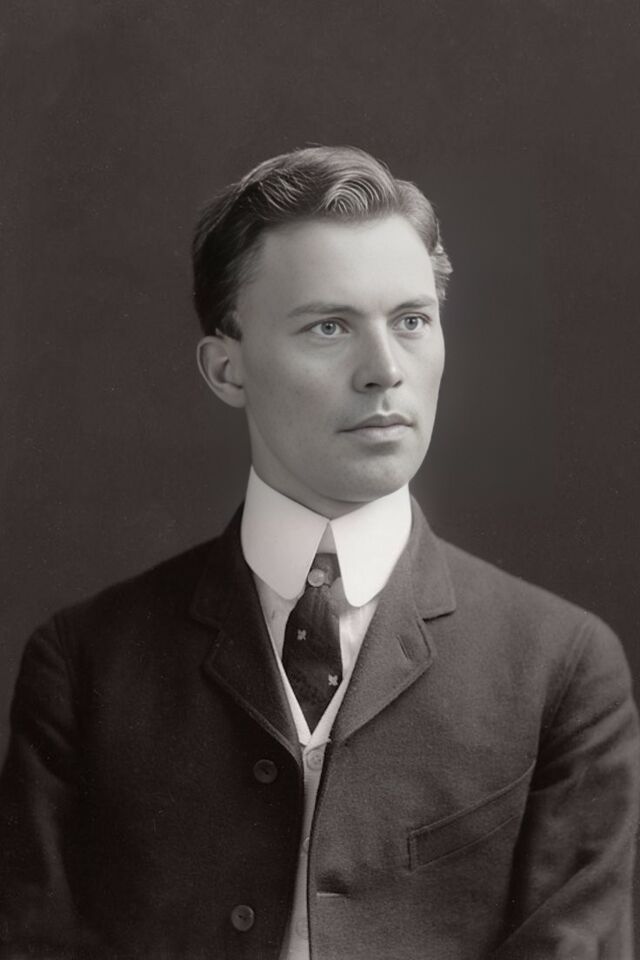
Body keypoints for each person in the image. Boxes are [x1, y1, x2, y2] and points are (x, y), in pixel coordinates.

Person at [0, 146, 638, 960]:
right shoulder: (85, 662)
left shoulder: (562, 668)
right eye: (328, 327)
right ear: (227, 369)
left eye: (412, 321)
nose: (385, 371)